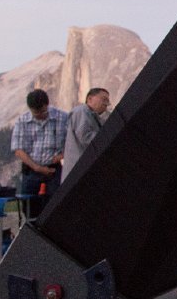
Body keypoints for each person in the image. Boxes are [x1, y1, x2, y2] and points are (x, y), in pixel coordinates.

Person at [11, 89, 68, 217]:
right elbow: (18, 150)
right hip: (31, 169)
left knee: (54, 204)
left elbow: (72, 141)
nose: (39, 115)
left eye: (42, 112)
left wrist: (61, 155)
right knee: (29, 206)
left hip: (53, 170)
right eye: (35, 113)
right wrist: (37, 167)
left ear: (47, 105)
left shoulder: (63, 118)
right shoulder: (22, 121)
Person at [62, 87, 111, 177]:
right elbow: (85, 137)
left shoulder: (93, 116)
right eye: (104, 99)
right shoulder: (82, 111)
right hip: (79, 168)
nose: (106, 104)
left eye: (107, 101)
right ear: (90, 99)